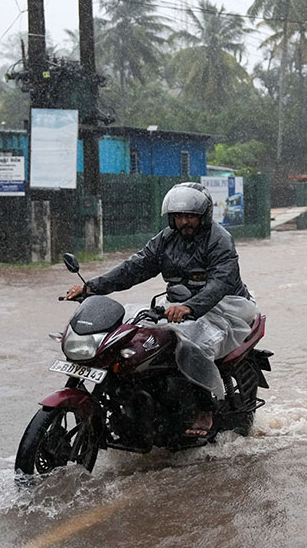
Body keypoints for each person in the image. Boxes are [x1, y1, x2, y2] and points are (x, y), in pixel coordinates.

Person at [65, 182, 257, 437]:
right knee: (129, 331)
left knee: (194, 342)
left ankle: (205, 408)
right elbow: (135, 267)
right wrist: (91, 287)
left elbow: (220, 283)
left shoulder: (219, 240)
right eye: (178, 216)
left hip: (224, 306)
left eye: (190, 216)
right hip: (179, 304)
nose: (184, 222)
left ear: (204, 216)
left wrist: (190, 307)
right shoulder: (166, 239)